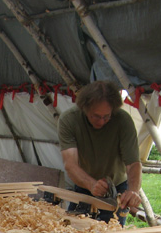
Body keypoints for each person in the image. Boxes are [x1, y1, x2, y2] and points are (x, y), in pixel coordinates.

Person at [57, 80, 142, 225]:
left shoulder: (123, 121)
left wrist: (133, 191)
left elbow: (133, 164)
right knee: (75, 228)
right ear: (84, 108)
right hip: (84, 185)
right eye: (96, 116)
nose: (101, 122)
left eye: (106, 116)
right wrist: (91, 185)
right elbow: (70, 164)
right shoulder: (69, 120)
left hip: (117, 188)